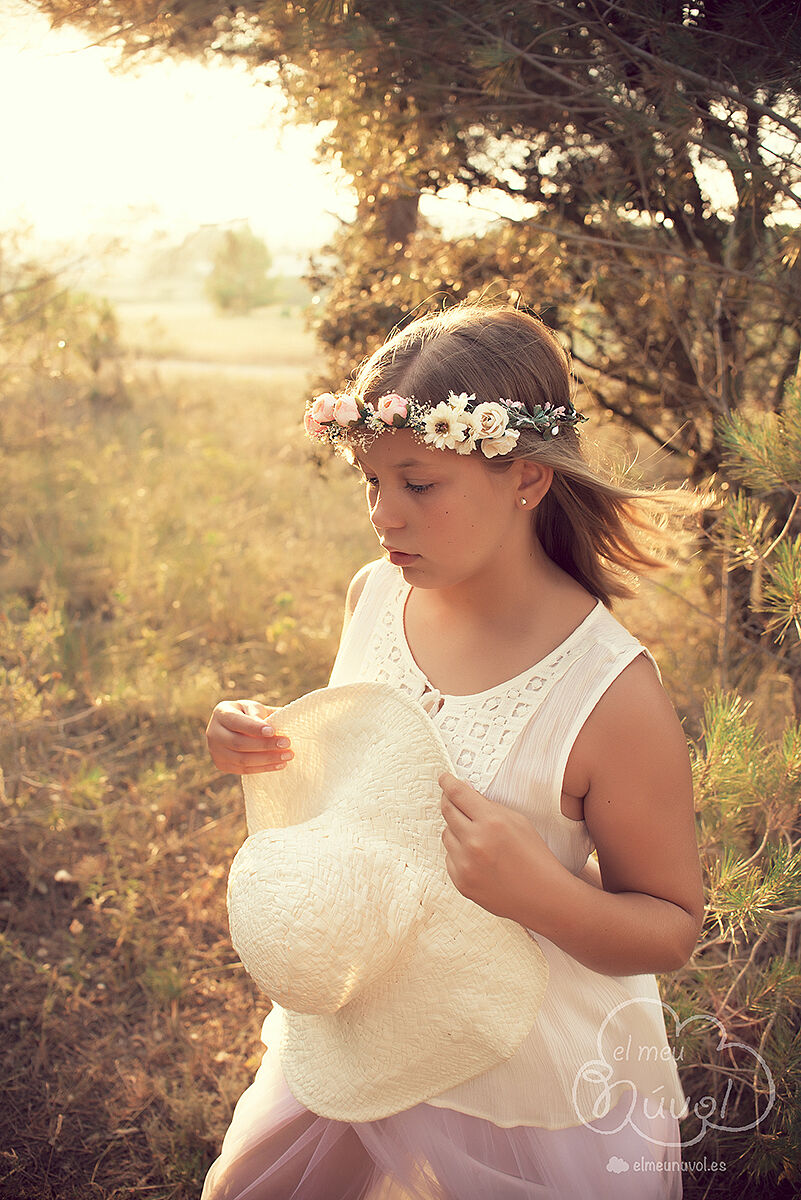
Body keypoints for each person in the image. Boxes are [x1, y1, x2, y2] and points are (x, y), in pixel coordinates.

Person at [202, 303, 705, 1199]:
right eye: (370, 481)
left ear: (525, 479)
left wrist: (542, 893)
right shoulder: (372, 597)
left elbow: (669, 929)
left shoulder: (609, 695)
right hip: (365, 1018)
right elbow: (369, 781)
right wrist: (269, 742)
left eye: (418, 484)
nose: (382, 514)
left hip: (524, 1077)